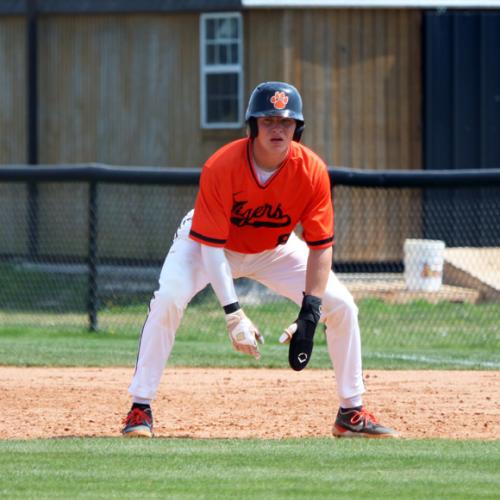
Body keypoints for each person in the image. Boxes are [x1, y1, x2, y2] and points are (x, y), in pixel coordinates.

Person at [122, 81, 398, 439]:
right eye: (268, 121)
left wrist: (311, 312)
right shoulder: (222, 165)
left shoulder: (311, 171)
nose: (277, 129)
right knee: (169, 298)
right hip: (207, 244)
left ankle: (351, 411)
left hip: (275, 249)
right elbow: (211, 248)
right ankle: (139, 407)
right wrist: (233, 313)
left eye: (286, 122)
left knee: (342, 305)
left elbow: (320, 246)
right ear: (253, 127)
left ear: (297, 129)